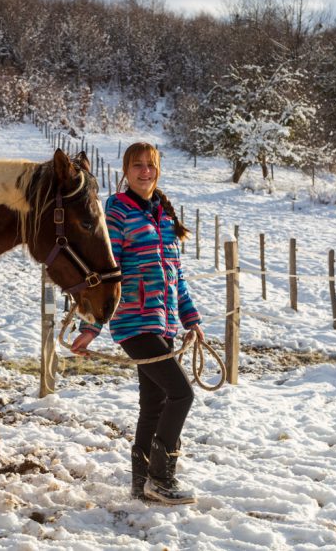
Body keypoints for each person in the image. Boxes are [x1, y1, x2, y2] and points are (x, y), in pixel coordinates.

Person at [71, 141, 204, 505]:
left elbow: (177, 275)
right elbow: (105, 272)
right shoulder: (118, 211)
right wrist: (91, 327)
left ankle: (141, 483)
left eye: (150, 165)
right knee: (182, 393)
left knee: (155, 403)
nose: (145, 172)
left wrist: (191, 319)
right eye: (137, 166)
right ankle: (161, 478)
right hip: (133, 321)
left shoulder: (162, 213)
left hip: (163, 325)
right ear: (125, 172)